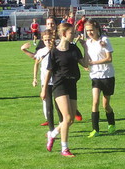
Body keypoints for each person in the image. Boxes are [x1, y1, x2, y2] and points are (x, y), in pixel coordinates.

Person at [42, 22, 88, 157]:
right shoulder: (54, 52)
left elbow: (85, 64)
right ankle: (64, 149)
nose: (74, 35)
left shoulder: (74, 48)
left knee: (71, 119)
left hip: (72, 84)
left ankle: (53, 134)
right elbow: (49, 71)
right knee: (67, 118)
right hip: (59, 85)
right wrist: (44, 89)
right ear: (63, 34)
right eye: (71, 33)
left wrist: (85, 48)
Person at [83, 21, 116, 137]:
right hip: (95, 76)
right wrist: (86, 64)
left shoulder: (104, 40)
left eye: (91, 30)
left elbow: (109, 59)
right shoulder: (88, 42)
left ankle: (111, 123)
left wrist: (94, 63)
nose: (89, 32)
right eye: (87, 30)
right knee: (95, 102)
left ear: (97, 29)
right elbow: (88, 56)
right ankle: (95, 130)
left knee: (105, 105)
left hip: (107, 75)